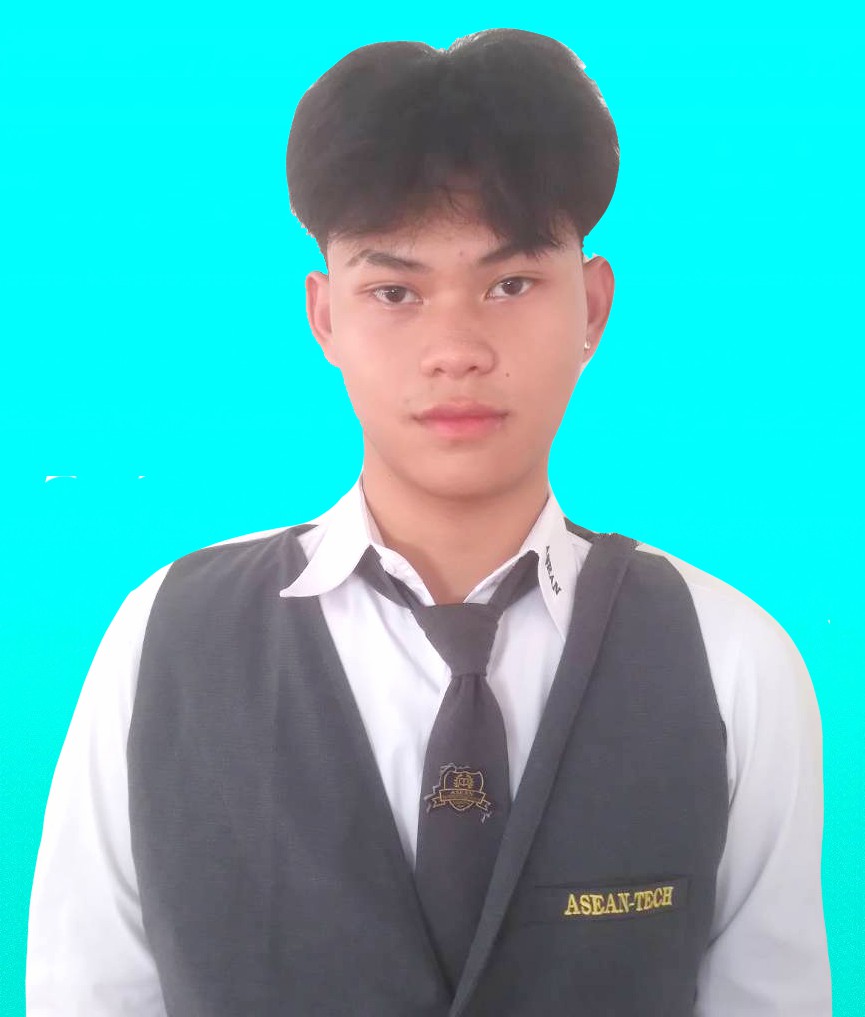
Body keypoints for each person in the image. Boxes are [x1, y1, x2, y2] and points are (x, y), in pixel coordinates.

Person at [26, 28, 831, 1016]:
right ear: (325, 316)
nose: (455, 348)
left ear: (591, 307)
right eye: (395, 291)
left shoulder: (732, 660)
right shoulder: (162, 639)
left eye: (509, 283)